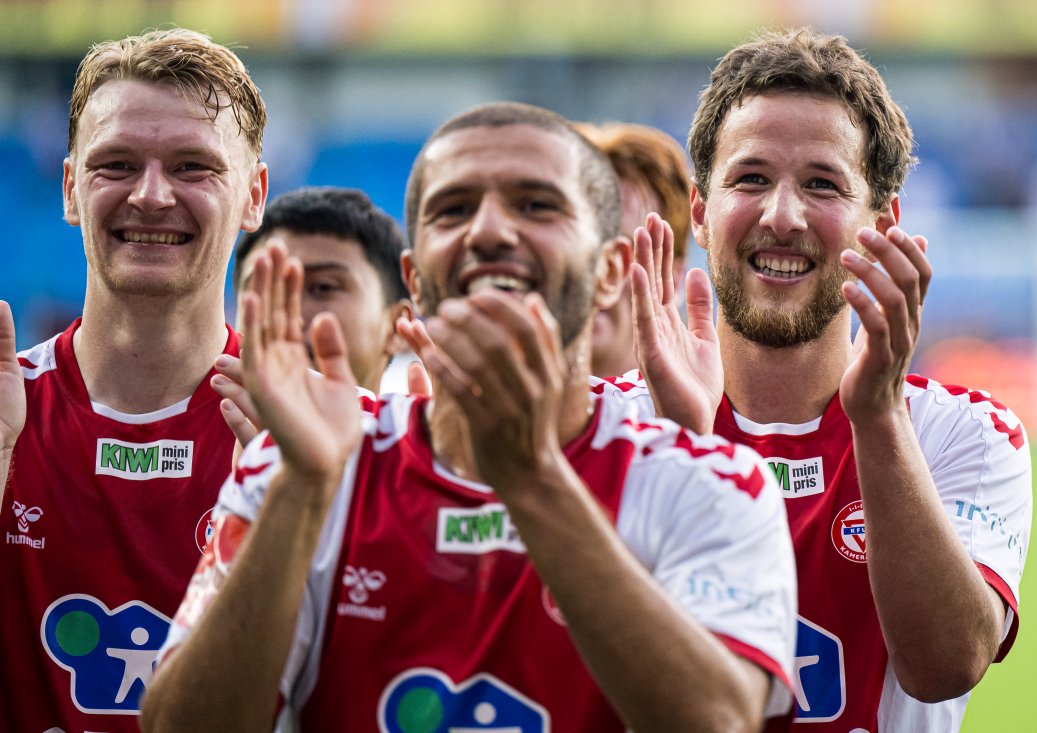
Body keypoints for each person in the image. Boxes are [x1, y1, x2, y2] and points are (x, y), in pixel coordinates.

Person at [140, 101, 798, 732]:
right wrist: (301, 490)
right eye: (453, 209)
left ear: (610, 271)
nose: (487, 231)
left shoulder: (719, 481)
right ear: (416, 280)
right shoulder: (297, 464)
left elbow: (719, 719)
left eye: (536, 204)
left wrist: (534, 474)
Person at [624, 28, 1032, 731]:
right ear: (699, 210)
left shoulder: (965, 433)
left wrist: (877, 416)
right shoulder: (609, 423)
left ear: (884, 219)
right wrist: (677, 445)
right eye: (751, 178)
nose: (783, 216)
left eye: (822, 184)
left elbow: (946, 663)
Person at [0, 28, 267, 731]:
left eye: (192, 167)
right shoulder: (7, 415)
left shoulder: (309, 435)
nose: (151, 196)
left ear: (254, 195)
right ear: (68, 187)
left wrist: (294, 507)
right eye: (115, 163)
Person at [211, 187, 416, 447]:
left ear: (398, 326)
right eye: (267, 289)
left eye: (323, 288)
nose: (287, 316)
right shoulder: (186, 453)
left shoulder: (435, 465)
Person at [575, 122, 692, 378]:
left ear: (674, 279)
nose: (596, 271)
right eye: (576, 243)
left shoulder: (703, 415)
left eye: (623, 249)